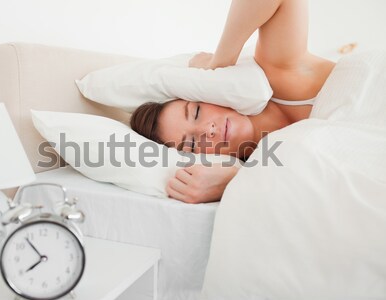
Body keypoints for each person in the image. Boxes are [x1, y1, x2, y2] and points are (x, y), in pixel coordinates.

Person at [131, 0, 335, 204]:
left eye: (196, 112)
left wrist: (219, 63)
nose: (207, 130)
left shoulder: (279, 72)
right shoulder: (264, 168)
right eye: (192, 144)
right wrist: (234, 180)